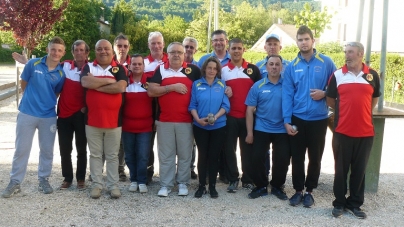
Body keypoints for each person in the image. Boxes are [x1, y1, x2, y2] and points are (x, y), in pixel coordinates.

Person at [9, 40, 90, 191]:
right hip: (45, 113)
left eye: (82, 50)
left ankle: (70, 179)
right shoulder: (59, 66)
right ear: (71, 52)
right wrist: (27, 63)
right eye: (76, 50)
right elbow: (29, 80)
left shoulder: (78, 69)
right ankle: (17, 182)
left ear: (86, 53)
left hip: (65, 115)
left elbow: (58, 91)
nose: (79, 52)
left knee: (68, 149)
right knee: (58, 150)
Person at [1, 37, 67, 198]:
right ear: (47, 49)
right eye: (53, 49)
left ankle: (43, 179)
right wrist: (31, 100)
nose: (55, 53)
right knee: (22, 149)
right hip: (27, 113)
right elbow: (24, 83)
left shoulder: (61, 73)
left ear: (63, 53)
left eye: (59, 50)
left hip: (48, 116)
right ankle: (15, 182)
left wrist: (44, 102)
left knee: (47, 150)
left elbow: (56, 93)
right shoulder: (33, 64)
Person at [282, 25, 337, 208]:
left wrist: (324, 93)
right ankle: (298, 191)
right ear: (296, 42)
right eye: (300, 39)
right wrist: (286, 120)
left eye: (306, 39)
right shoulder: (292, 66)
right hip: (297, 119)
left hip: (318, 119)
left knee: (315, 157)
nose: (303, 42)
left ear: (313, 41)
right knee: (297, 157)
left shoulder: (326, 62)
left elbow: (338, 86)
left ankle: (310, 191)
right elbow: (287, 94)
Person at [327, 42, 380, 219]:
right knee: (340, 170)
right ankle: (339, 203)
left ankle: (355, 204)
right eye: (345, 52)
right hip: (342, 132)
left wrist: (361, 112)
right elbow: (330, 99)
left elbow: (374, 100)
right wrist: (346, 111)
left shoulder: (372, 75)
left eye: (350, 52)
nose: (347, 55)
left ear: (361, 54)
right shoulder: (337, 75)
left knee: (359, 170)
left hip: (365, 133)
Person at [147, 42, 201, 197]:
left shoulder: (193, 70)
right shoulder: (161, 69)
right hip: (165, 120)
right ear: (167, 54)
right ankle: (166, 184)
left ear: (184, 54)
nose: (176, 55)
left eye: (179, 52)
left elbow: (206, 86)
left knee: (185, 155)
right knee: (166, 155)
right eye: (173, 52)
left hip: (186, 121)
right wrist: (171, 87)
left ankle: (183, 183)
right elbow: (151, 91)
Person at [80, 39, 128, 199]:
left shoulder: (119, 68)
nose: (103, 51)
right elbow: (85, 81)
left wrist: (96, 84)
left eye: (106, 48)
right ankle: (96, 185)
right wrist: (109, 81)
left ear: (112, 51)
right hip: (92, 120)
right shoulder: (88, 67)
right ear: (95, 51)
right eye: (99, 49)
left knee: (113, 155)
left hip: (114, 121)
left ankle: (113, 186)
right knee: (95, 154)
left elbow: (120, 87)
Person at [245, 55, 291, 200]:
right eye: (271, 64)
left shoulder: (288, 86)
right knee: (257, 158)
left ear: (281, 67)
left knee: (282, 159)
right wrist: (250, 133)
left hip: (282, 129)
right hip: (261, 128)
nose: (274, 67)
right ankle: (261, 186)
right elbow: (249, 110)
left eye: (277, 64)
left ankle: (277, 186)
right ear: (266, 67)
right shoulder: (257, 86)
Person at [221, 38, 261, 193]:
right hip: (229, 117)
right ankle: (233, 179)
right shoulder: (223, 70)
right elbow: (217, 91)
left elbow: (259, 92)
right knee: (230, 150)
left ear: (244, 50)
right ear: (228, 50)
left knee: (248, 150)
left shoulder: (253, 69)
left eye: (239, 48)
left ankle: (247, 179)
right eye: (233, 48)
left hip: (248, 118)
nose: (236, 51)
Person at [189, 57, 230, 198]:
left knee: (214, 156)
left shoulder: (222, 84)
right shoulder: (196, 84)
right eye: (209, 68)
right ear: (204, 69)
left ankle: (212, 186)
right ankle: (201, 186)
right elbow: (192, 105)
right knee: (202, 155)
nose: (212, 71)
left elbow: (226, 106)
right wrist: (198, 120)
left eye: (215, 68)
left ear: (218, 71)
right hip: (200, 126)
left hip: (218, 126)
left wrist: (216, 117)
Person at [255, 33, 290, 179]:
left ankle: (277, 183)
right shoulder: (257, 66)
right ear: (265, 47)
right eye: (269, 44)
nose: (272, 46)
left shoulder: (288, 66)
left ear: (280, 47)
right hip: (263, 117)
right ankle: (263, 177)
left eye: (275, 44)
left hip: (282, 118)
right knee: (262, 153)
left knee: (280, 155)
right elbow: (254, 89)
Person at [121, 54, 153, 194]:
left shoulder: (150, 83)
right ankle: (133, 180)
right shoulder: (125, 83)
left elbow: (157, 103)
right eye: (134, 64)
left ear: (143, 66)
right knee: (129, 155)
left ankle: (142, 180)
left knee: (143, 155)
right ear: (129, 66)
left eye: (140, 64)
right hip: (127, 126)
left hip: (145, 126)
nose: (137, 66)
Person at [143, 31, 168, 184]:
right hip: (149, 106)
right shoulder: (143, 62)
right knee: (148, 143)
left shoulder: (171, 59)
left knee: (168, 144)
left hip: (167, 106)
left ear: (163, 44)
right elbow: (140, 83)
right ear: (149, 45)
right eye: (153, 43)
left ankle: (171, 174)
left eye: (159, 43)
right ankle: (148, 173)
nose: (157, 46)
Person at [113, 33, 131, 182]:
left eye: (125, 46)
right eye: (119, 45)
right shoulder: (107, 63)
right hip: (112, 107)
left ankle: (120, 169)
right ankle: (98, 170)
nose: (122, 49)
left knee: (123, 141)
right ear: (114, 47)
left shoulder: (136, 64)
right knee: (107, 139)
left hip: (130, 107)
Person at [182, 36, 199, 180]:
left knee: (191, 142)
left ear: (196, 50)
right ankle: (179, 168)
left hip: (193, 109)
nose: (188, 49)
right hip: (178, 109)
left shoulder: (198, 68)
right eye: (186, 46)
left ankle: (191, 168)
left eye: (191, 47)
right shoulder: (174, 65)